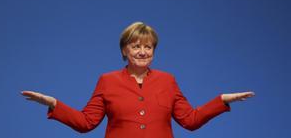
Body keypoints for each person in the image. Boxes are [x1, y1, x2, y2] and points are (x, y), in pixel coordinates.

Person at [21, 22, 255, 138]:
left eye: (148, 47)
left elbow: (190, 120)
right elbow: (86, 122)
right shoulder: (107, 81)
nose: (143, 52)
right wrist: (54, 104)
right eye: (136, 46)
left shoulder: (168, 80)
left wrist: (221, 101)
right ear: (124, 50)